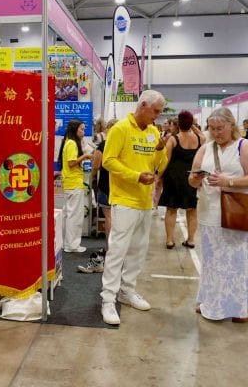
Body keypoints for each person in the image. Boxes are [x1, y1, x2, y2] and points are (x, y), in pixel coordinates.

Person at [188, 107, 248, 323]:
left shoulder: (245, 146)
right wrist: (195, 180)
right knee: (213, 261)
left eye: (220, 128)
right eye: (212, 128)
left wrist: (228, 181)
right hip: (210, 212)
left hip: (239, 212)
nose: (216, 133)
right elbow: (192, 179)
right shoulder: (205, 148)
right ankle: (212, 301)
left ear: (232, 125)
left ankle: (243, 306)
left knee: (240, 261)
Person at [100, 90, 168, 325]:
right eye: (155, 111)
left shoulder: (153, 132)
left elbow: (158, 165)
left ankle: (127, 291)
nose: (157, 116)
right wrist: (135, 176)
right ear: (143, 105)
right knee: (117, 250)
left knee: (138, 249)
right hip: (124, 199)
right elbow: (108, 161)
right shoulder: (120, 129)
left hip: (145, 200)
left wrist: (160, 149)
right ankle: (108, 299)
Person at [158, 110, 202, 249]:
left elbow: (165, 160)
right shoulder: (199, 138)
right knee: (192, 209)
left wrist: (158, 176)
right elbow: (201, 134)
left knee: (171, 209)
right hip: (191, 177)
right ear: (191, 123)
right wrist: (192, 125)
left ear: (178, 123)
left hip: (173, 177)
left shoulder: (173, 139)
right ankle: (191, 240)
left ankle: (170, 240)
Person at [78, 119, 117, 274]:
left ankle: (109, 248)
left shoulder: (104, 145)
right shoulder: (125, 145)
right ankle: (118, 249)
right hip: (122, 187)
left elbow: (96, 165)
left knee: (109, 217)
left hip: (106, 184)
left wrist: (93, 177)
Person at [57, 120, 92, 253]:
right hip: (74, 183)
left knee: (69, 214)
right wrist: (85, 156)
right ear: (75, 129)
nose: (83, 132)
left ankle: (67, 243)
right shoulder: (72, 143)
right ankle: (72, 245)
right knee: (74, 216)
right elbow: (71, 163)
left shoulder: (68, 142)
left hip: (70, 183)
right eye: (81, 129)